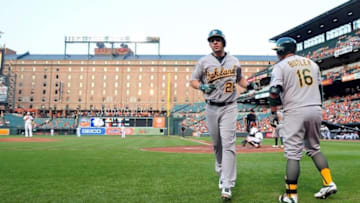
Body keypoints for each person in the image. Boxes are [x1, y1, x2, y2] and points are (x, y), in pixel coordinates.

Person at [269, 37, 337, 203]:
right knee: (314, 148)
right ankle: (328, 183)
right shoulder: (312, 64)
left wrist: (273, 112)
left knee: (293, 153)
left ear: (281, 51)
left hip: (294, 111)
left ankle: (291, 196)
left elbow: (273, 90)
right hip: (315, 108)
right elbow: (320, 90)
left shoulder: (280, 66)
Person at [190, 29, 248, 200]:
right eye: (212, 40)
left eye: (218, 40)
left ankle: (227, 184)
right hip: (211, 107)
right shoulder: (204, 61)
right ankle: (222, 170)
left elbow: (240, 79)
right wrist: (201, 86)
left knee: (229, 144)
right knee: (217, 144)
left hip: (230, 106)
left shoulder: (234, 61)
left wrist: (249, 85)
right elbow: (193, 80)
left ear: (224, 42)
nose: (215, 42)